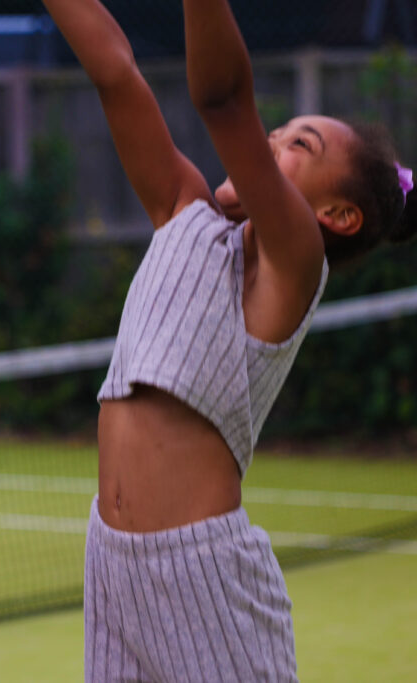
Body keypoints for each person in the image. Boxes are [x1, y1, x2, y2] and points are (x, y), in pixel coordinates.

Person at [40, 1, 417, 681]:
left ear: (336, 214)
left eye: (300, 146)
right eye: (278, 131)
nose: (272, 142)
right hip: (112, 567)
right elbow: (114, 70)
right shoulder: (182, 211)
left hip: (205, 576)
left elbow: (223, 99)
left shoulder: (295, 259)